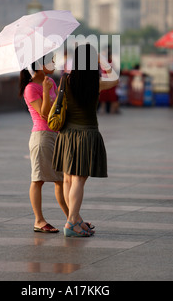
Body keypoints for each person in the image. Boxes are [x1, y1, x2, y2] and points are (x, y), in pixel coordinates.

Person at [52, 44, 119, 237]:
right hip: (87, 134)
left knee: (67, 179)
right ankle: (72, 222)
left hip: (66, 135)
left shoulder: (65, 80)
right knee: (79, 181)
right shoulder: (96, 82)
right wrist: (101, 60)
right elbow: (115, 79)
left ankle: (75, 219)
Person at [19, 54, 68, 233]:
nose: (54, 64)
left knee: (61, 180)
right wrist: (46, 92)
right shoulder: (31, 88)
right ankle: (39, 220)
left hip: (56, 135)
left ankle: (72, 218)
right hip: (42, 137)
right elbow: (44, 114)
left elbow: (58, 109)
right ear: (40, 65)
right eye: (50, 61)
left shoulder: (52, 82)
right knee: (38, 179)